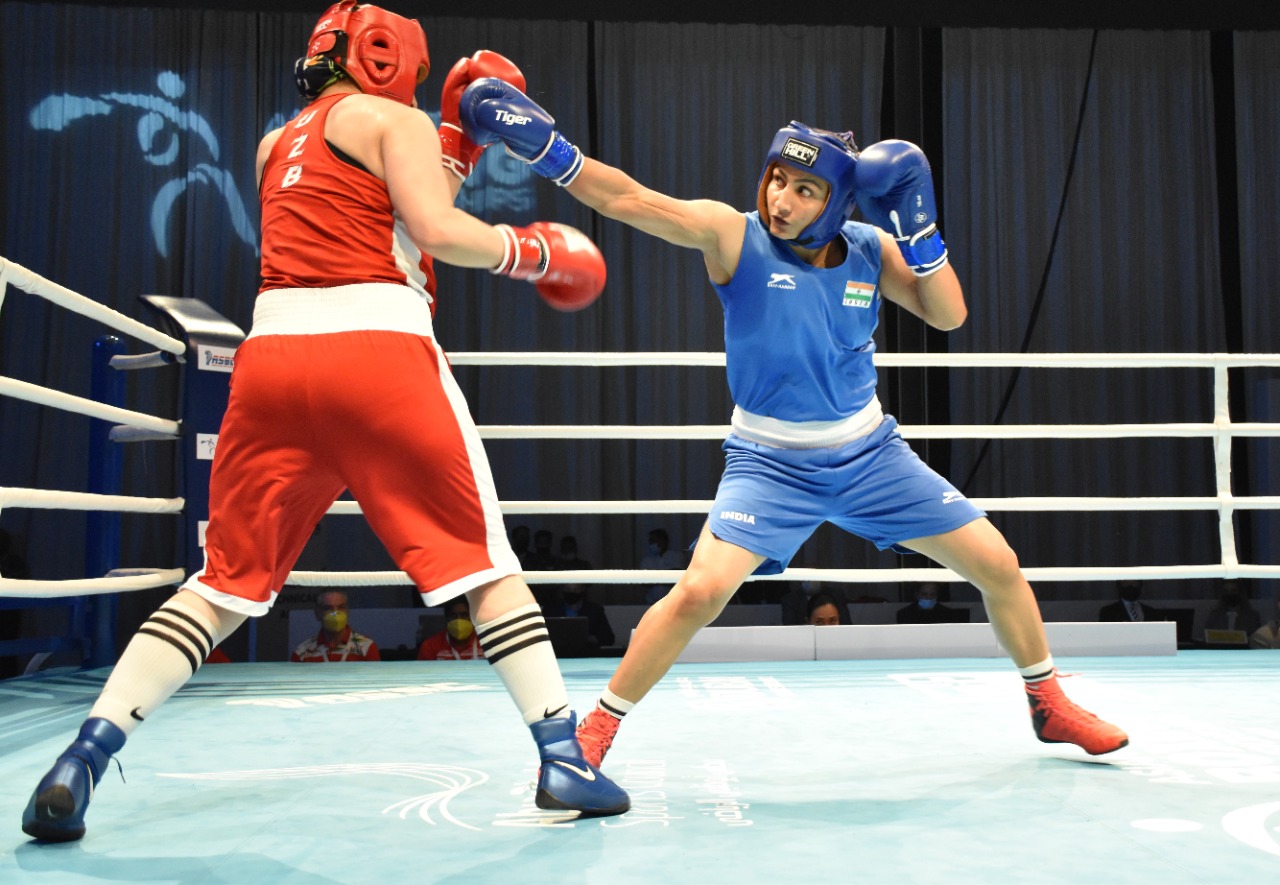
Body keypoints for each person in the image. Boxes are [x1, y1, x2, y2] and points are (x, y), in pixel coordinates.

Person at [21, 2, 627, 844]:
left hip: (271, 361)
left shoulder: (276, 143)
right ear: (395, 61)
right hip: (377, 352)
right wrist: (538, 253)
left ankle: (83, 755)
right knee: (483, 565)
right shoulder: (395, 119)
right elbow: (434, 231)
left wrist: (459, 140)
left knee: (225, 580)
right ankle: (564, 756)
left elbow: (384, 214)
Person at [459, 84, 1129, 767]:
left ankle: (1049, 703)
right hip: (769, 463)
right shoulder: (734, 236)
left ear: (837, 201)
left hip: (871, 454)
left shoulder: (869, 249)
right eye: (777, 179)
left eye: (805, 189)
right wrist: (548, 150)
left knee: (1000, 565)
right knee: (698, 591)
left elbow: (950, 315)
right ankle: (596, 728)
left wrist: (922, 236)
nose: (780, 199)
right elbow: (630, 200)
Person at [291, 590, 381, 662]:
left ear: (347, 611)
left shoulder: (366, 647)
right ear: (317, 613)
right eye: (328, 608)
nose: (335, 614)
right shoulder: (302, 653)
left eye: (341, 607)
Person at [544, 583, 616, 650]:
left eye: (575, 590)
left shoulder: (595, 611)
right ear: (562, 589)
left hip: (587, 655)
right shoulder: (550, 610)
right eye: (567, 589)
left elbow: (609, 639)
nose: (571, 592)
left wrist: (587, 638)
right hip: (557, 654)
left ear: (583, 589)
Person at [417, 596, 484, 660]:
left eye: (464, 615)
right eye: (453, 616)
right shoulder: (431, 645)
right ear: (447, 618)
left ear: (472, 616)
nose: (459, 620)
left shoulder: (484, 641)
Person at [639, 528, 685, 604]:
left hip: (673, 603)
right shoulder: (646, 560)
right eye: (650, 541)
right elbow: (643, 582)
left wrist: (653, 577)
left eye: (653, 541)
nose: (650, 544)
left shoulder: (676, 557)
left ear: (663, 540)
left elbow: (677, 578)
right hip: (651, 603)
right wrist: (666, 576)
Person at [897, 581, 968, 624]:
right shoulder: (904, 614)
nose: (929, 598)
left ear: (937, 595)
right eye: (924, 594)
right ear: (917, 595)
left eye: (932, 594)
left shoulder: (947, 614)